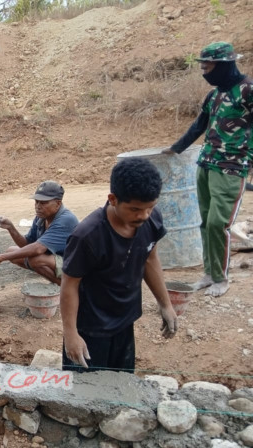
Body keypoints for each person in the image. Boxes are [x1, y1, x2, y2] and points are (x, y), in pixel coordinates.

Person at [61, 158, 177, 373]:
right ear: (113, 199)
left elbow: (150, 259)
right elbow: (69, 284)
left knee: (120, 387)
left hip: (124, 322)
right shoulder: (87, 235)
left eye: (150, 207)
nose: (143, 215)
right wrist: (71, 334)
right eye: (134, 209)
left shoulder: (150, 220)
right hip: (90, 329)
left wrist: (165, 304)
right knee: (84, 395)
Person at [164, 42, 252, 298]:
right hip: (206, 164)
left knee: (218, 223)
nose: (203, 70)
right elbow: (199, 125)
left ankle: (221, 279)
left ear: (224, 65)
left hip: (232, 167)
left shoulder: (247, 90)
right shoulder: (214, 95)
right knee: (205, 222)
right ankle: (209, 273)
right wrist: (175, 149)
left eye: (207, 65)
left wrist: (249, 160)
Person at [0, 181, 79, 285]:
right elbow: (27, 244)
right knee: (11, 251)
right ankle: (57, 281)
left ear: (58, 204)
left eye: (43, 203)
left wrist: (2, 257)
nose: (38, 206)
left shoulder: (66, 219)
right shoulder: (42, 217)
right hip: (57, 259)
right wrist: (11, 228)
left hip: (74, 264)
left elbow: (37, 249)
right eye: (36, 202)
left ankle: (66, 286)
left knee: (36, 259)